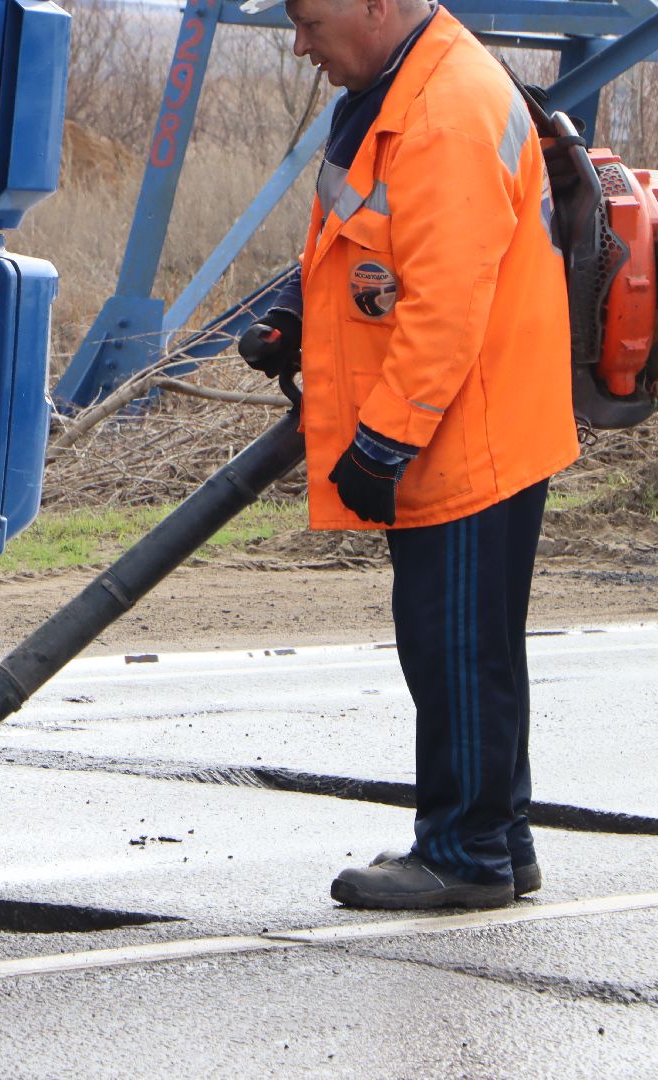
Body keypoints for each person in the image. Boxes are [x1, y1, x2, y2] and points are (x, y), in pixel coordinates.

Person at [238, 0, 580, 908]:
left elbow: (444, 307)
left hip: (465, 424)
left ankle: (465, 856)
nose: (302, 45)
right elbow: (377, 244)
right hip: (476, 413)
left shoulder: (445, 110)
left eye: (310, 21)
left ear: (375, 5)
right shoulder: (404, 86)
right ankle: (500, 835)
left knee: (453, 646)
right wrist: (302, 319)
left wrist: (383, 439)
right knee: (475, 642)